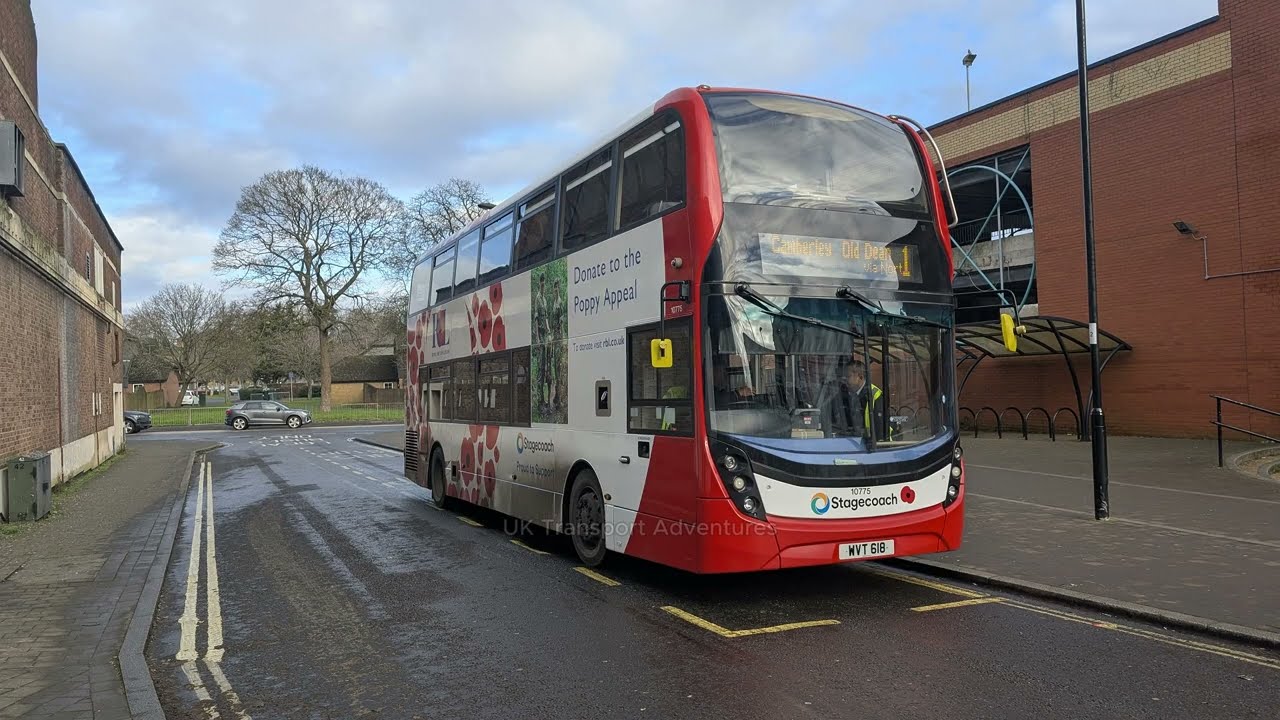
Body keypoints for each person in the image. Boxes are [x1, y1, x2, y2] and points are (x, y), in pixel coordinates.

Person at [831, 359, 888, 440]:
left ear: (860, 377)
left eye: (848, 376)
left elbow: (880, 429)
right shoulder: (847, 395)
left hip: (872, 446)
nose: (845, 380)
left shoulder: (875, 396)